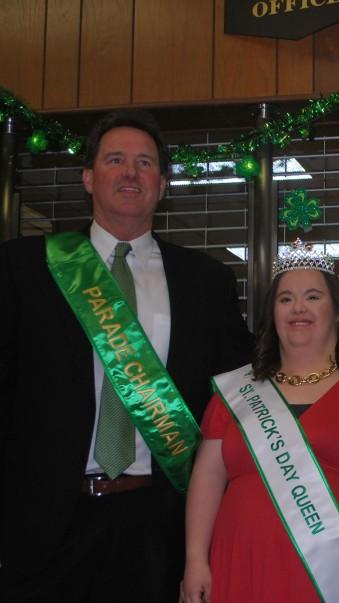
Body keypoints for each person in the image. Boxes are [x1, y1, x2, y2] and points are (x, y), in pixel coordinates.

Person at [0, 110, 253, 602]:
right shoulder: (21, 269)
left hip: (158, 527)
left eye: (145, 163)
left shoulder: (206, 282)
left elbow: (238, 397)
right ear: (89, 178)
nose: (131, 172)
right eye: (115, 160)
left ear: (161, 185)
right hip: (42, 526)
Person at [183, 240, 339, 603]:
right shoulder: (237, 390)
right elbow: (207, 479)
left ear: (337, 311)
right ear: (272, 313)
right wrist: (195, 559)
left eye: (313, 297)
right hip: (244, 564)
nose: (298, 308)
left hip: (338, 572)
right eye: (285, 299)